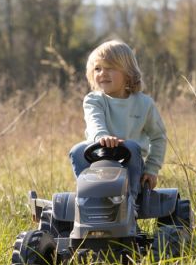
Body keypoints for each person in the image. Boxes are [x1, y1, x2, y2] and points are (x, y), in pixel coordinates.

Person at [69, 40, 167, 209]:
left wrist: (152, 169)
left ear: (128, 73)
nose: (103, 74)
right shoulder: (93, 100)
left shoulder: (144, 104)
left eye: (110, 68)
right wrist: (101, 137)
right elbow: (94, 122)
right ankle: (88, 199)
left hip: (130, 162)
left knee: (131, 146)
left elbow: (158, 137)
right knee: (77, 150)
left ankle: (130, 203)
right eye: (98, 69)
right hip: (97, 156)